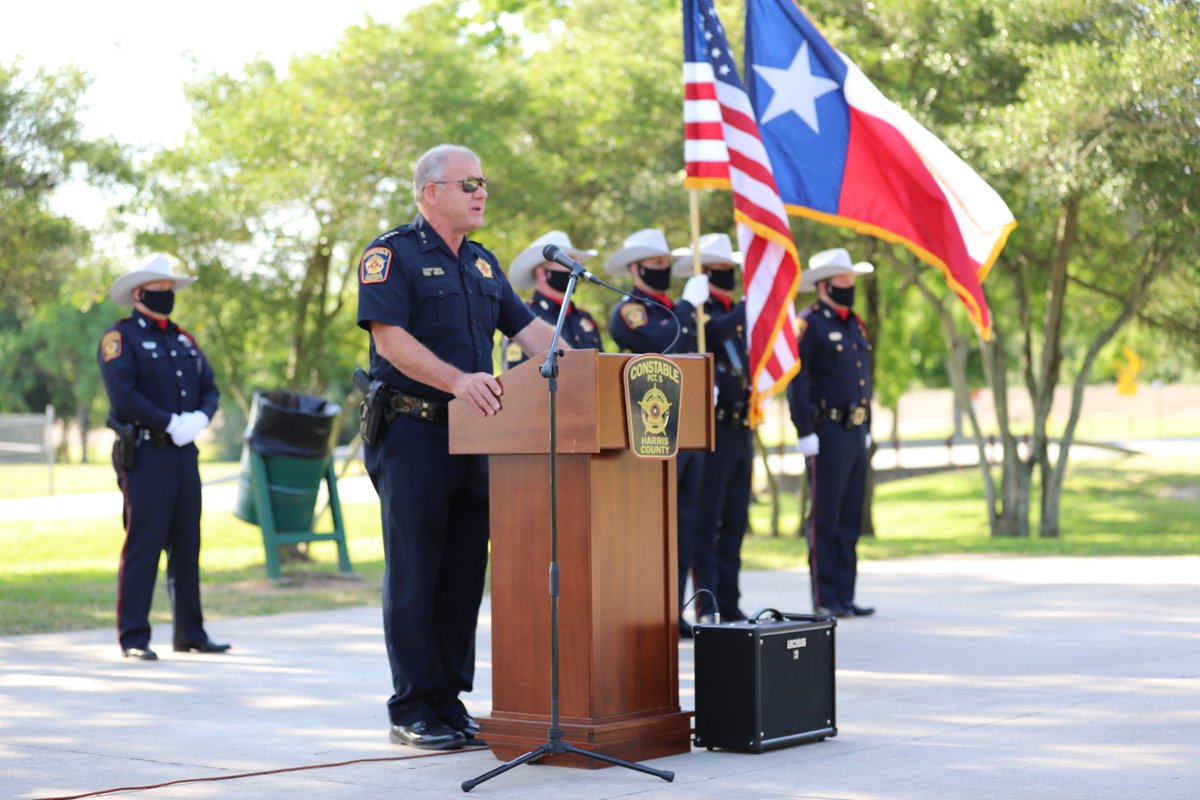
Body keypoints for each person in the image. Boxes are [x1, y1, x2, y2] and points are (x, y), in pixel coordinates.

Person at [356, 144, 558, 751]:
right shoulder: (391, 255)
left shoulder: (483, 264)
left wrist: (598, 368)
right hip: (413, 431)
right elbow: (389, 340)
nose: (481, 192)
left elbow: (531, 333)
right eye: (468, 182)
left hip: (477, 437)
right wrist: (459, 381)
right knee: (417, 569)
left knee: (465, 571)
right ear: (429, 191)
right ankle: (411, 705)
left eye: (483, 182)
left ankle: (448, 700)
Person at [97, 254, 228, 661]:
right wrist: (168, 421)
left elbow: (210, 387)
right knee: (144, 544)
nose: (167, 297)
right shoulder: (120, 339)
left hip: (184, 454)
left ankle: (190, 633)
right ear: (139, 293)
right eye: (160, 291)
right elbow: (124, 396)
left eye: (171, 291)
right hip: (146, 453)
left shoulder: (183, 339)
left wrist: (199, 419)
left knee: (188, 544)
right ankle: (134, 637)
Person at [606, 228, 710, 637]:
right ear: (636, 268)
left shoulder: (671, 307)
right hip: (652, 432)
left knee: (685, 523)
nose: (664, 270)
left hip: (688, 425)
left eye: (667, 264)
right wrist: (686, 306)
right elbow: (660, 340)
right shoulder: (632, 311)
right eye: (657, 265)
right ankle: (651, 610)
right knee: (654, 525)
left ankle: (675, 609)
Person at [787, 248, 876, 619]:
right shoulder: (810, 324)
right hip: (826, 430)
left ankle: (845, 593)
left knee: (850, 517)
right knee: (825, 517)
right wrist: (805, 430)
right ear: (824, 286)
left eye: (851, 281)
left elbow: (862, 379)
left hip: (855, 431)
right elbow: (798, 381)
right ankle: (825, 597)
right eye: (843, 281)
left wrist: (867, 425)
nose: (849, 287)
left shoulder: (854, 324)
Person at [671, 233, 751, 623]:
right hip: (712, 429)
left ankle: (730, 599)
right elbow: (715, 335)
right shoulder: (699, 312)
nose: (729, 275)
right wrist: (753, 306)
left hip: (741, 424)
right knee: (708, 522)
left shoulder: (733, 310)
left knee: (736, 520)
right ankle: (709, 603)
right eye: (722, 269)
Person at [503, 230, 603, 370]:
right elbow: (517, 376)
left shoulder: (585, 318)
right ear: (542, 273)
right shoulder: (524, 317)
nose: (574, 269)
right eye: (566, 263)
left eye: (575, 263)